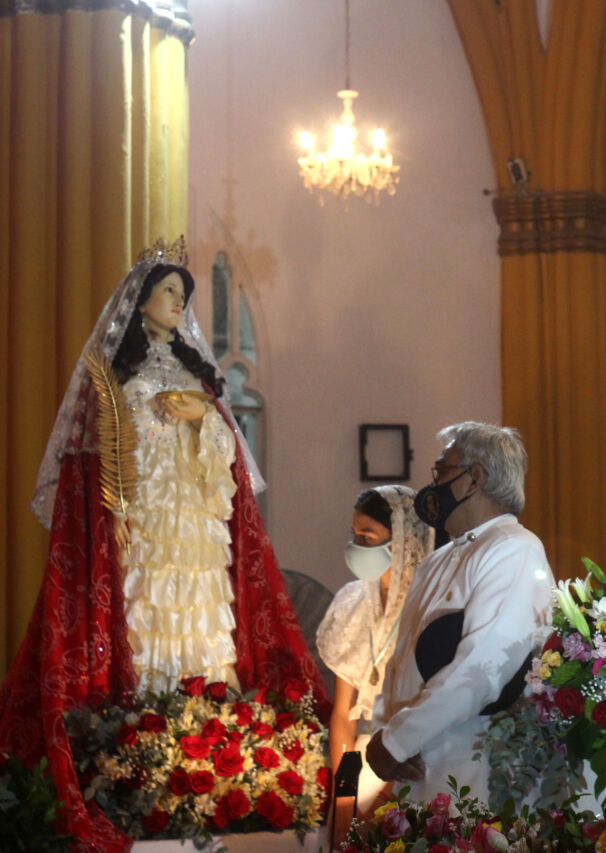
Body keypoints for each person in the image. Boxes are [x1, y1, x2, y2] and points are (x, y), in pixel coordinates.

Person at [0, 238, 330, 851]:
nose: (179, 302)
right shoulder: (115, 374)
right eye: (169, 291)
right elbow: (90, 456)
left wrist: (203, 421)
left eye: (183, 294)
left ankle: (202, 750)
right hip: (143, 526)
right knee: (144, 619)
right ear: (140, 300)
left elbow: (229, 459)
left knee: (201, 623)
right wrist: (113, 509)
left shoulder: (196, 372)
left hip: (194, 528)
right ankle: (140, 749)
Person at [365, 422, 554, 802]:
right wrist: (387, 735)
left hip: (471, 772)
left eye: (441, 470)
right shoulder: (436, 561)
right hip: (414, 770)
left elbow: (483, 666)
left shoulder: (514, 549)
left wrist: (397, 741)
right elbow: (400, 663)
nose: (432, 485)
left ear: (474, 479)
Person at [317, 485, 433, 809]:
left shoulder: (427, 606)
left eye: (366, 538)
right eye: (354, 535)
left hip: (412, 759)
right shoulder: (352, 603)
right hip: (363, 754)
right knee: (347, 822)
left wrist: (386, 793)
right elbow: (344, 715)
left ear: (404, 540)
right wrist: (344, 794)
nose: (356, 546)